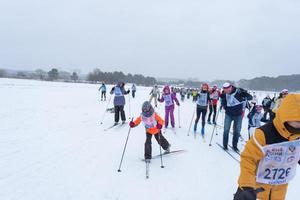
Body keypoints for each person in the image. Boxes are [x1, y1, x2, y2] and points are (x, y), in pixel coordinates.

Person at [234, 94, 300, 200]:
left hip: (279, 190)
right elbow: (248, 160)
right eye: (298, 121)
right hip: (256, 189)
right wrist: (247, 186)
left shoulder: (298, 137)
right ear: (286, 116)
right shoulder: (264, 133)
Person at [220, 82, 253, 151]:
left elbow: (250, 97)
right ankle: (225, 145)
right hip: (228, 114)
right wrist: (226, 107)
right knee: (226, 130)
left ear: (231, 87)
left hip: (238, 115)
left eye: (228, 89)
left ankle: (235, 146)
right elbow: (223, 103)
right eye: (225, 89)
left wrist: (245, 95)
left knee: (237, 131)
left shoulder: (239, 91)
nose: (227, 90)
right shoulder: (224, 93)